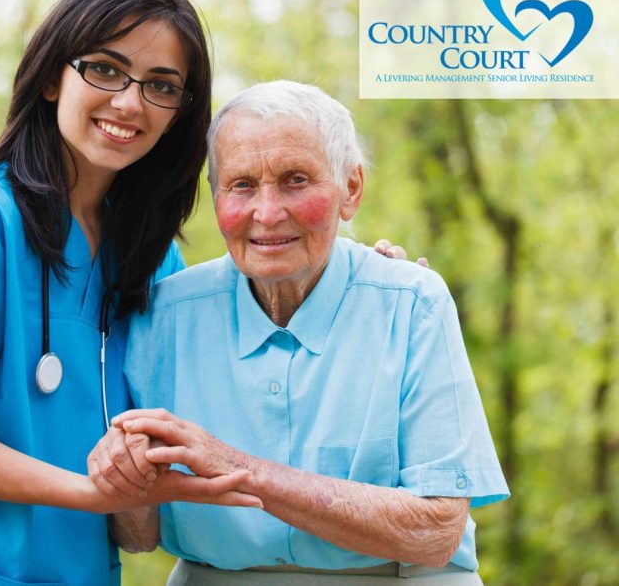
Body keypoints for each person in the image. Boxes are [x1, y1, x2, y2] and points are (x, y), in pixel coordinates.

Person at [0, 0, 264, 586]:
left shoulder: (151, 256)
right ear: (53, 77)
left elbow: (236, 372)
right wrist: (92, 494)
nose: (129, 103)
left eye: (161, 86)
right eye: (105, 69)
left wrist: (353, 281)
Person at [92, 81, 510, 585]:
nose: (267, 213)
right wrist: (125, 477)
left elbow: (436, 531)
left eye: (295, 180)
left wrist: (235, 467)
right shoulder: (163, 316)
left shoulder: (412, 303)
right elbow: (137, 537)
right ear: (216, 196)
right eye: (242, 185)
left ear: (351, 189)